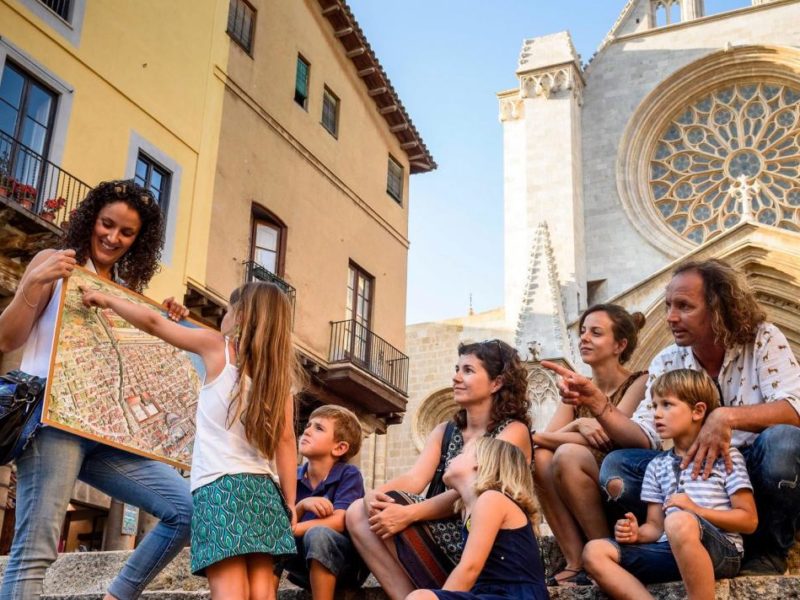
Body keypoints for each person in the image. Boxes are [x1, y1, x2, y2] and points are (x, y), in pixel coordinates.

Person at [544, 258, 800, 576]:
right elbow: (645, 435)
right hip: (692, 471)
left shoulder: (763, 338)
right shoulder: (668, 358)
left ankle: (768, 554)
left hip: (751, 465)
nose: (670, 317)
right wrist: (598, 404)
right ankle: (662, 540)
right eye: (668, 306)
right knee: (617, 466)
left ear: (717, 307)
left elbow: (794, 409)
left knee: (786, 440)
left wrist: (725, 417)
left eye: (684, 306)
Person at [0, 180, 192, 600]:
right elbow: (6, 339)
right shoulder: (54, 261)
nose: (113, 237)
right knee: (34, 552)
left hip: (110, 432)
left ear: (138, 240)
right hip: (53, 423)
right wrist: (35, 282)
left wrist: (168, 318)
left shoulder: (124, 291)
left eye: (127, 232)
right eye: (107, 224)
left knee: (186, 510)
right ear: (91, 220)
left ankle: (115, 596)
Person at [81, 281, 301, 599]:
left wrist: (107, 299)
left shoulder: (219, 349)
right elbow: (286, 442)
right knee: (262, 594)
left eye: (227, 310)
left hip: (220, 489)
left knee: (230, 593)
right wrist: (290, 503)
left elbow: (154, 325)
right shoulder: (280, 381)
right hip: (264, 494)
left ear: (240, 315)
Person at [347, 340, 533, 600]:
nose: (456, 377)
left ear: (496, 382)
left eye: (468, 370)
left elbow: (473, 491)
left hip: (484, 542)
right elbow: (415, 478)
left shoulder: (513, 431)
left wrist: (410, 513)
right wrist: (375, 494)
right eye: (456, 368)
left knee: (385, 510)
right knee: (358, 511)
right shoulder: (445, 431)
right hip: (439, 532)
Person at [583, 369, 757, 599]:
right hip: (669, 550)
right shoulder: (657, 465)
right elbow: (656, 527)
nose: (657, 414)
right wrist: (636, 534)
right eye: (654, 406)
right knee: (594, 552)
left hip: (721, 552)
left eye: (667, 405)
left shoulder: (726, 457)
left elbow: (748, 520)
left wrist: (696, 511)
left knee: (679, 521)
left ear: (698, 411)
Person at [532, 304, 647, 585]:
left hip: (627, 489)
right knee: (541, 458)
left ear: (620, 344)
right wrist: (577, 424)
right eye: (583, 331)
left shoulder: (639, 381)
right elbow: (541, 440)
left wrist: (568, 433)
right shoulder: (577, 388)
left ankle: (603, 555)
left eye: (596, 333)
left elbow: (612, 438)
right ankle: (575, 558)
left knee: (567, 454)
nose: (584, 338)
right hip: (585, 490)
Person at [405, 437, 548, 600]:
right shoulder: (469, 508)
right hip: (487, 594)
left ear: (479, 462)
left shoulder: (492, 500)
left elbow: (469, 569)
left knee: (421, 598)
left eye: (462, 452)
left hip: (515, 595)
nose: (452, 457)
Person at [276, 405, 368, 600]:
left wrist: (288, 531)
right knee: (270, 539)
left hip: (344, 562)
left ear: (340, 447)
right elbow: (280, 522)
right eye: (308, 425)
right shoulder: (292, 477)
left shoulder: (348, 474)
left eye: (318, 428)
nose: (307, 430)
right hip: (304, 564)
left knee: (317, 534)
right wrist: (301, 506)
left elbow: (339, 520)